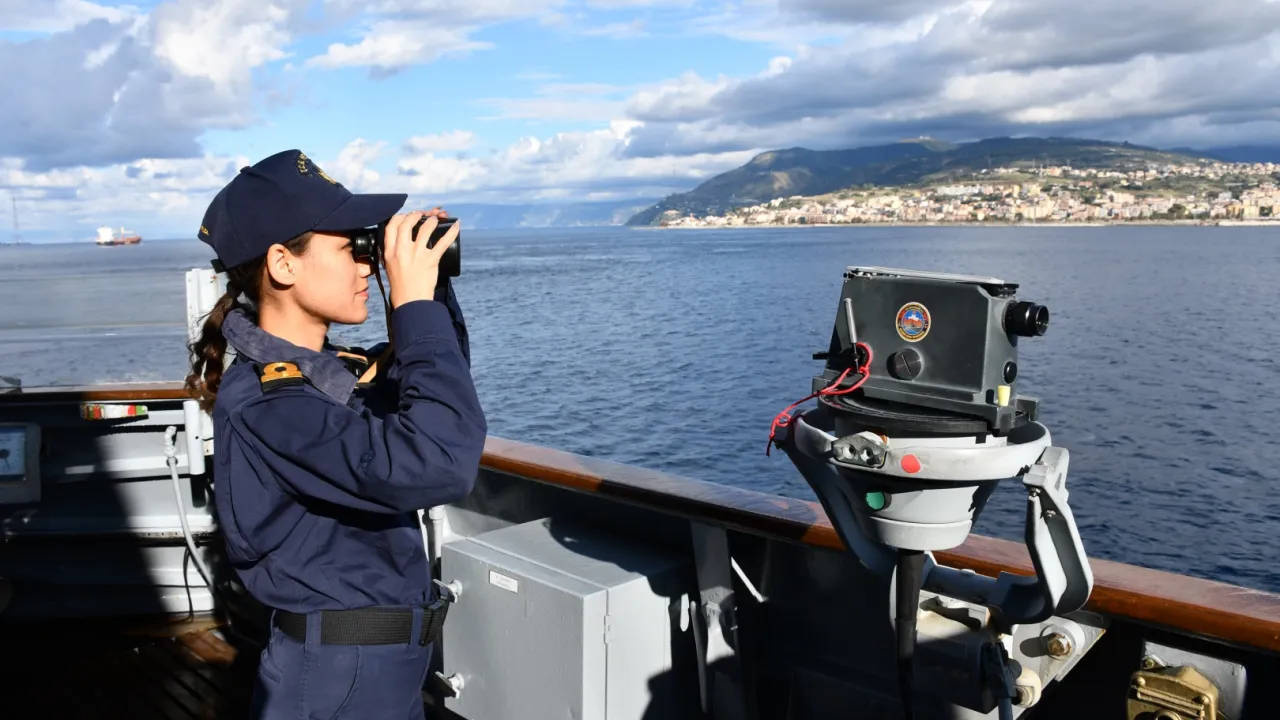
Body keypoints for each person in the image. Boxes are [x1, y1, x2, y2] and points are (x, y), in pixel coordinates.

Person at [184, 149, 487, 719]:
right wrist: (411, 303)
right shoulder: (271, 404)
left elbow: (436, 396)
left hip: (375, 670)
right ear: (283, 264)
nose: (367, 266)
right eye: (351, 248)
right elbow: (438, 460)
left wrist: (429, 292)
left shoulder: (328, 377)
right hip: (339, 679)